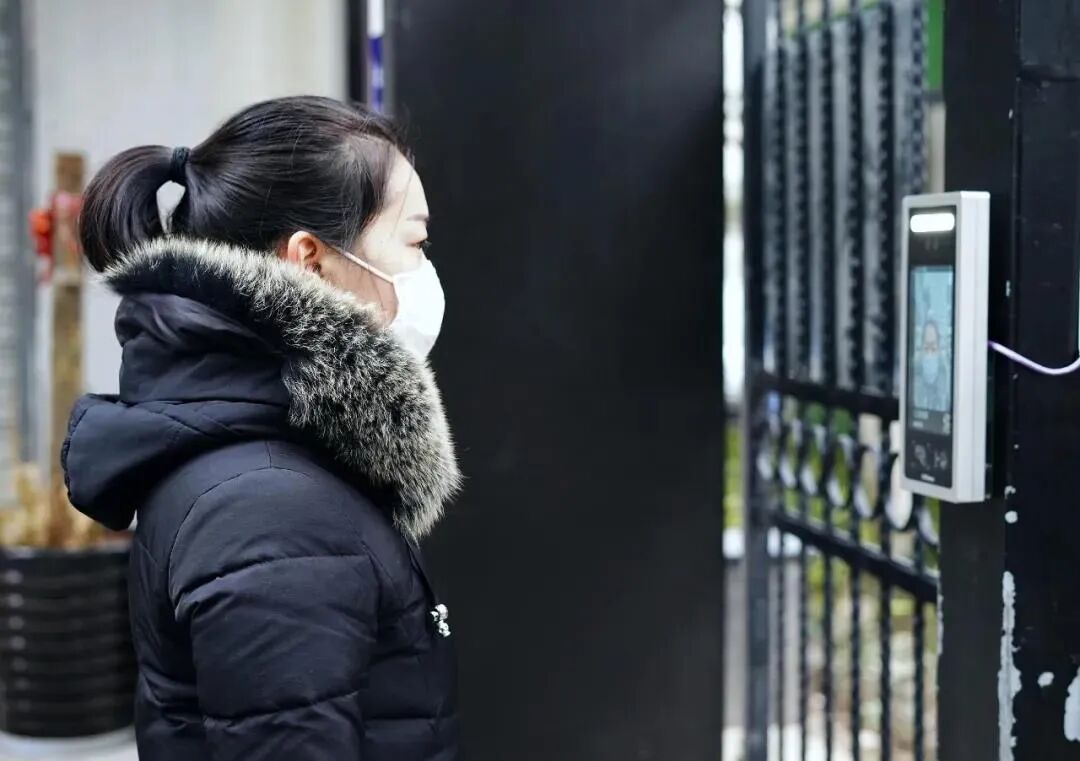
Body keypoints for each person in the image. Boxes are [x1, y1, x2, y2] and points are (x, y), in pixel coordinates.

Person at [61, 96, 462, 761]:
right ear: (310, 259)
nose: (426, 271)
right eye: (414, 242)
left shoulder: (272, 455)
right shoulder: (272, 510)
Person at [914, 318, 949, 412]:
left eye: (933, 348)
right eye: (926, 348)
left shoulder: (947, 387)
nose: (929, 354)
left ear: (939, 350)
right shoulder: (913, 385)